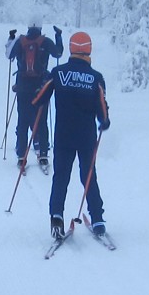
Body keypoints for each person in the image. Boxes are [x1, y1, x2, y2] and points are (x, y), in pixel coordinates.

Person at [31, 29, 109, 241]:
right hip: (86, 136)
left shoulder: (59, 73)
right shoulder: (96, 77)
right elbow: (102, 108)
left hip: (63, 135)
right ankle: (99, 221)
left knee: (61, 176)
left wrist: (39, 99)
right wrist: (104, 121)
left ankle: (56, 218)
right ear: (89, 50)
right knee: (88, 175)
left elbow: (39, 99)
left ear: (71, 49)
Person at [5, 20, 62, 169]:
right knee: (41, 121)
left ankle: (21, 156)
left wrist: (11, 38)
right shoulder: (45, 41)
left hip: (23, 87)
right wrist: (58, 36)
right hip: (41, 88)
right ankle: (43, 154)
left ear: (29, 27)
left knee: (22, 121)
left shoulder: (20, 41)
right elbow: (58, 53)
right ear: (40, 27)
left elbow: (9, 55)